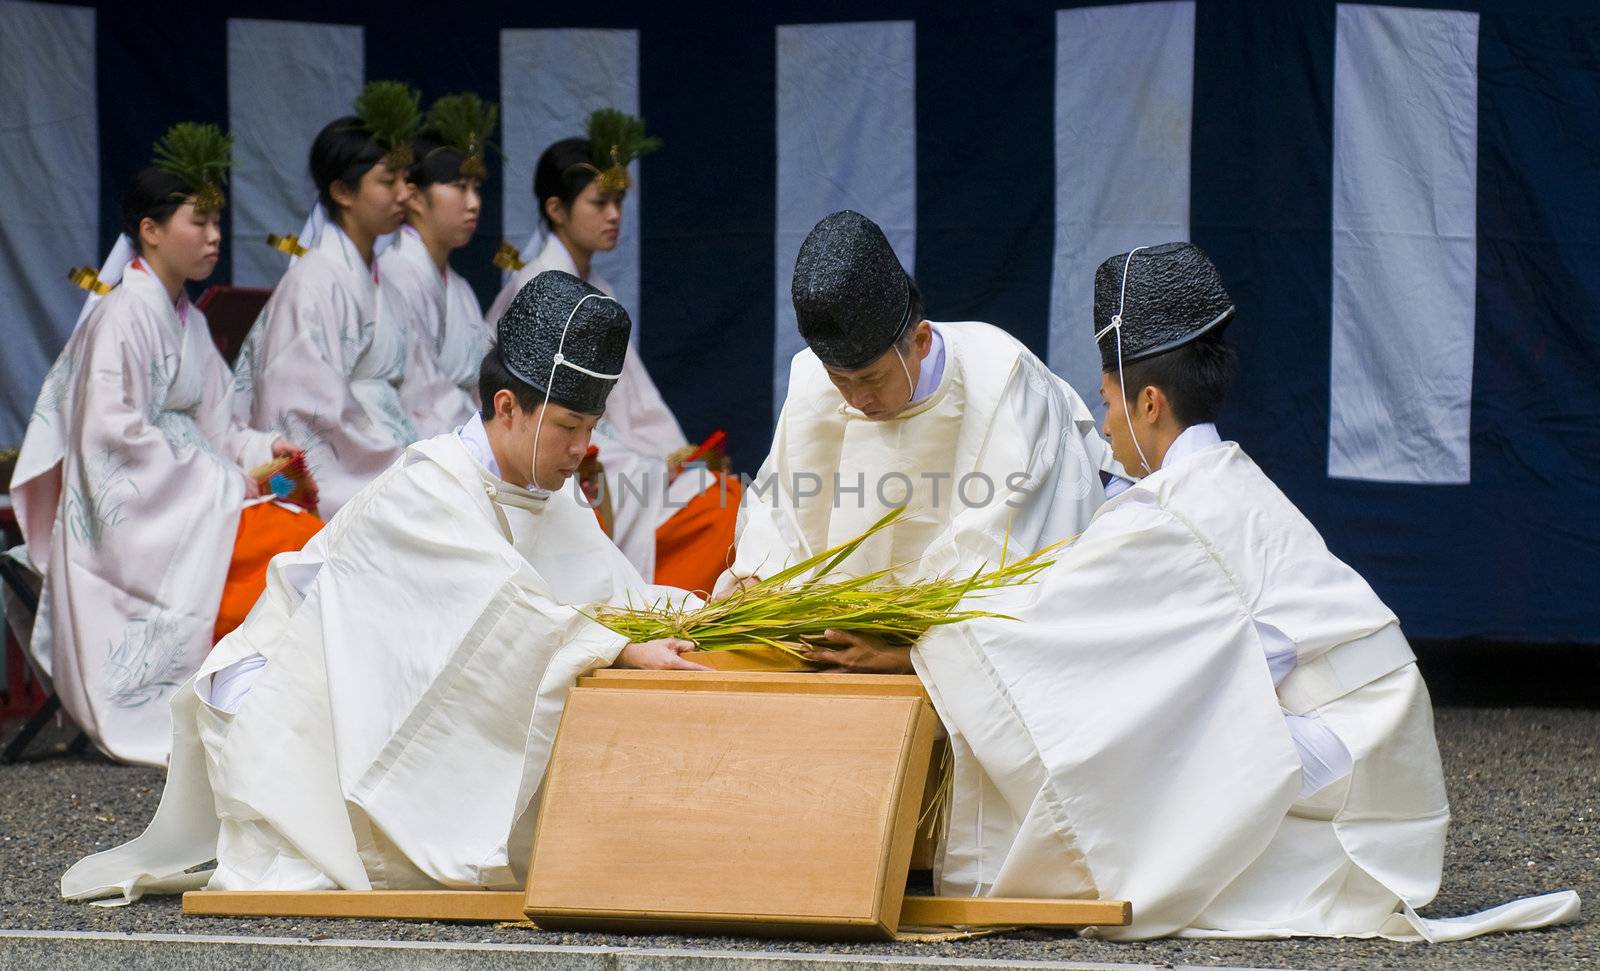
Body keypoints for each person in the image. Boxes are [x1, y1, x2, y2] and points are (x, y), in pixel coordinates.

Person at [910, 242, 1581, 940]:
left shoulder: (1174, 510)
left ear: (1148, 402)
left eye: (1106, 401)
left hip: (1353, 742)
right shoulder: (1222, 478)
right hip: (1379, 736)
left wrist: (925, 641)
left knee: (1123, 736)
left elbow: (1049, 633)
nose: (1103, 426)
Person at [60, 269, 708, 903]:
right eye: (568, 427)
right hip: (299, 724)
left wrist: (699, 616)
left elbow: (616, 593)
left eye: (590, 430)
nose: (581, 449)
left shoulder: (549, 493)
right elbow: (504, 612)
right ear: (507, 406)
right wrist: (613, 648)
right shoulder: (428, 486)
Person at [8, 124, 308, 766]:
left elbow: (221, 426)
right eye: (198, 221)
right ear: (149, 229)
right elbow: (111, 442)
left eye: (217, 222)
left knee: (302, 539)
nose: (214, 236)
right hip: (134, 526)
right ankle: (245, 707)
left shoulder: (186, 319)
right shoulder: (121, 316)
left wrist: (263, 446)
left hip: (187, 500)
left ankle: (271, 710)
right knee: (287, 550)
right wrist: (224, 482)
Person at [719, 210, 1118, 673]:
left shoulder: (1004, 382)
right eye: (840, 380)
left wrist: (911, 654)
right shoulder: (812, 381)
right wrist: (758, 579)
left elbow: (1018, 570)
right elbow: (781, 511)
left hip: (958, 673)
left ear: (921, 341)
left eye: (872, 377)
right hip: (834, 653)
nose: (859, 398)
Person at [487, 110, 732, 587]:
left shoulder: (598, 288)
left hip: (604, 440)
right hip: (562, 444)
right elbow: (545, 403)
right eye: (600, 202)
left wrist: (672, 451)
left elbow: (631, 394)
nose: (614, 214)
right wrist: (649, 460)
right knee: (714, 502)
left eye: (619, 200)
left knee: (717, 491)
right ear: (557, 210)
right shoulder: (539, 286)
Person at [231, 81, 422, 518]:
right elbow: (305, 407)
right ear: (342, 192)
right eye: (387, 181)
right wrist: (399, 460)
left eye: (405, 180)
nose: (403, 193)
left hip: (392, 445)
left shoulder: (384, 284)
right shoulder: (312, 281)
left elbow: (420, 389)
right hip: (352, 466)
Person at [381, 92, 495, 438]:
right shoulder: (395, 273)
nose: (474, 203)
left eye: (477, 188)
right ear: (414, 196)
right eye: (460, 188)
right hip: (418, 437)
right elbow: (416, 392)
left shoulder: (459, 288)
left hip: (461, 430)